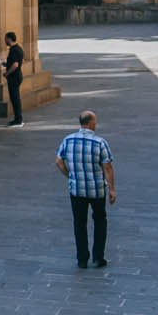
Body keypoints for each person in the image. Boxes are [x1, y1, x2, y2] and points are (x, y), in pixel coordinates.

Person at [56, 110, 116, 268]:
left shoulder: (68, 140)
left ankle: (82, 258)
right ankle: (98, 257)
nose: (96, 124)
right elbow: (107, 167)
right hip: (97, 190)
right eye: (95, 121)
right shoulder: (100, 142)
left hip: (77, 190)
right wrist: (112, 189)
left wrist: (69, 175)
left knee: (79, 223)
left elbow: (58, 161)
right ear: (89, 123)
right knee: (100, 221)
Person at [0, 31, 26, 126]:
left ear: (10, 39)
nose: (5, 41)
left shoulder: (14, 50)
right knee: (15, 98)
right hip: (17, 76)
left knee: (15, 99)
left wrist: (7, 73)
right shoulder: (18, 49)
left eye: (5, 39)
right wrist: (5, 64)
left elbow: (15, 65)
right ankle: (18, 118)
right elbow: (15, 62)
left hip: (14, 77)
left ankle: (18, 120)